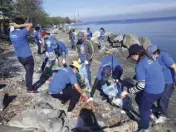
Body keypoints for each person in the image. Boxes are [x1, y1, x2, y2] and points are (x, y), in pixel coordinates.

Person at [123, 44, 165, 132]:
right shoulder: (150, 57)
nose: (132, 58)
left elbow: (141, 86)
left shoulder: (139, 65)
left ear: (135, 55)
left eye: (131, 56)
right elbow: (151, 70)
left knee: (143, 110)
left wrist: (128, 91)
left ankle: (144, 128)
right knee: (138, 98)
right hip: (161, 87)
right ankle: (150, 114)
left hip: (152, 91)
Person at [147, 45, 176, 123]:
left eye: (150, 55)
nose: (150, 57)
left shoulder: (164, 56)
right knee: (159, 97)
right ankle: (159, 109)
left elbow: (174, 67)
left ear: (155, 53)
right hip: (160, 82)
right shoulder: (153, 59)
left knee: (164, 98)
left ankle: (163, 115)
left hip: (168, 81)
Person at [9, 17, 37, 93]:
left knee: (27, 72)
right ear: (21, 24)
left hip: (20, 57)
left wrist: (16, 25)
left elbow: (11, 25)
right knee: (29, 73)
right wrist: (20, 25)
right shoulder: (22, 32)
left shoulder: (11, 33)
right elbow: (30, 24)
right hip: (27, 56)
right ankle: (29, 89)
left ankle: (28, 86)